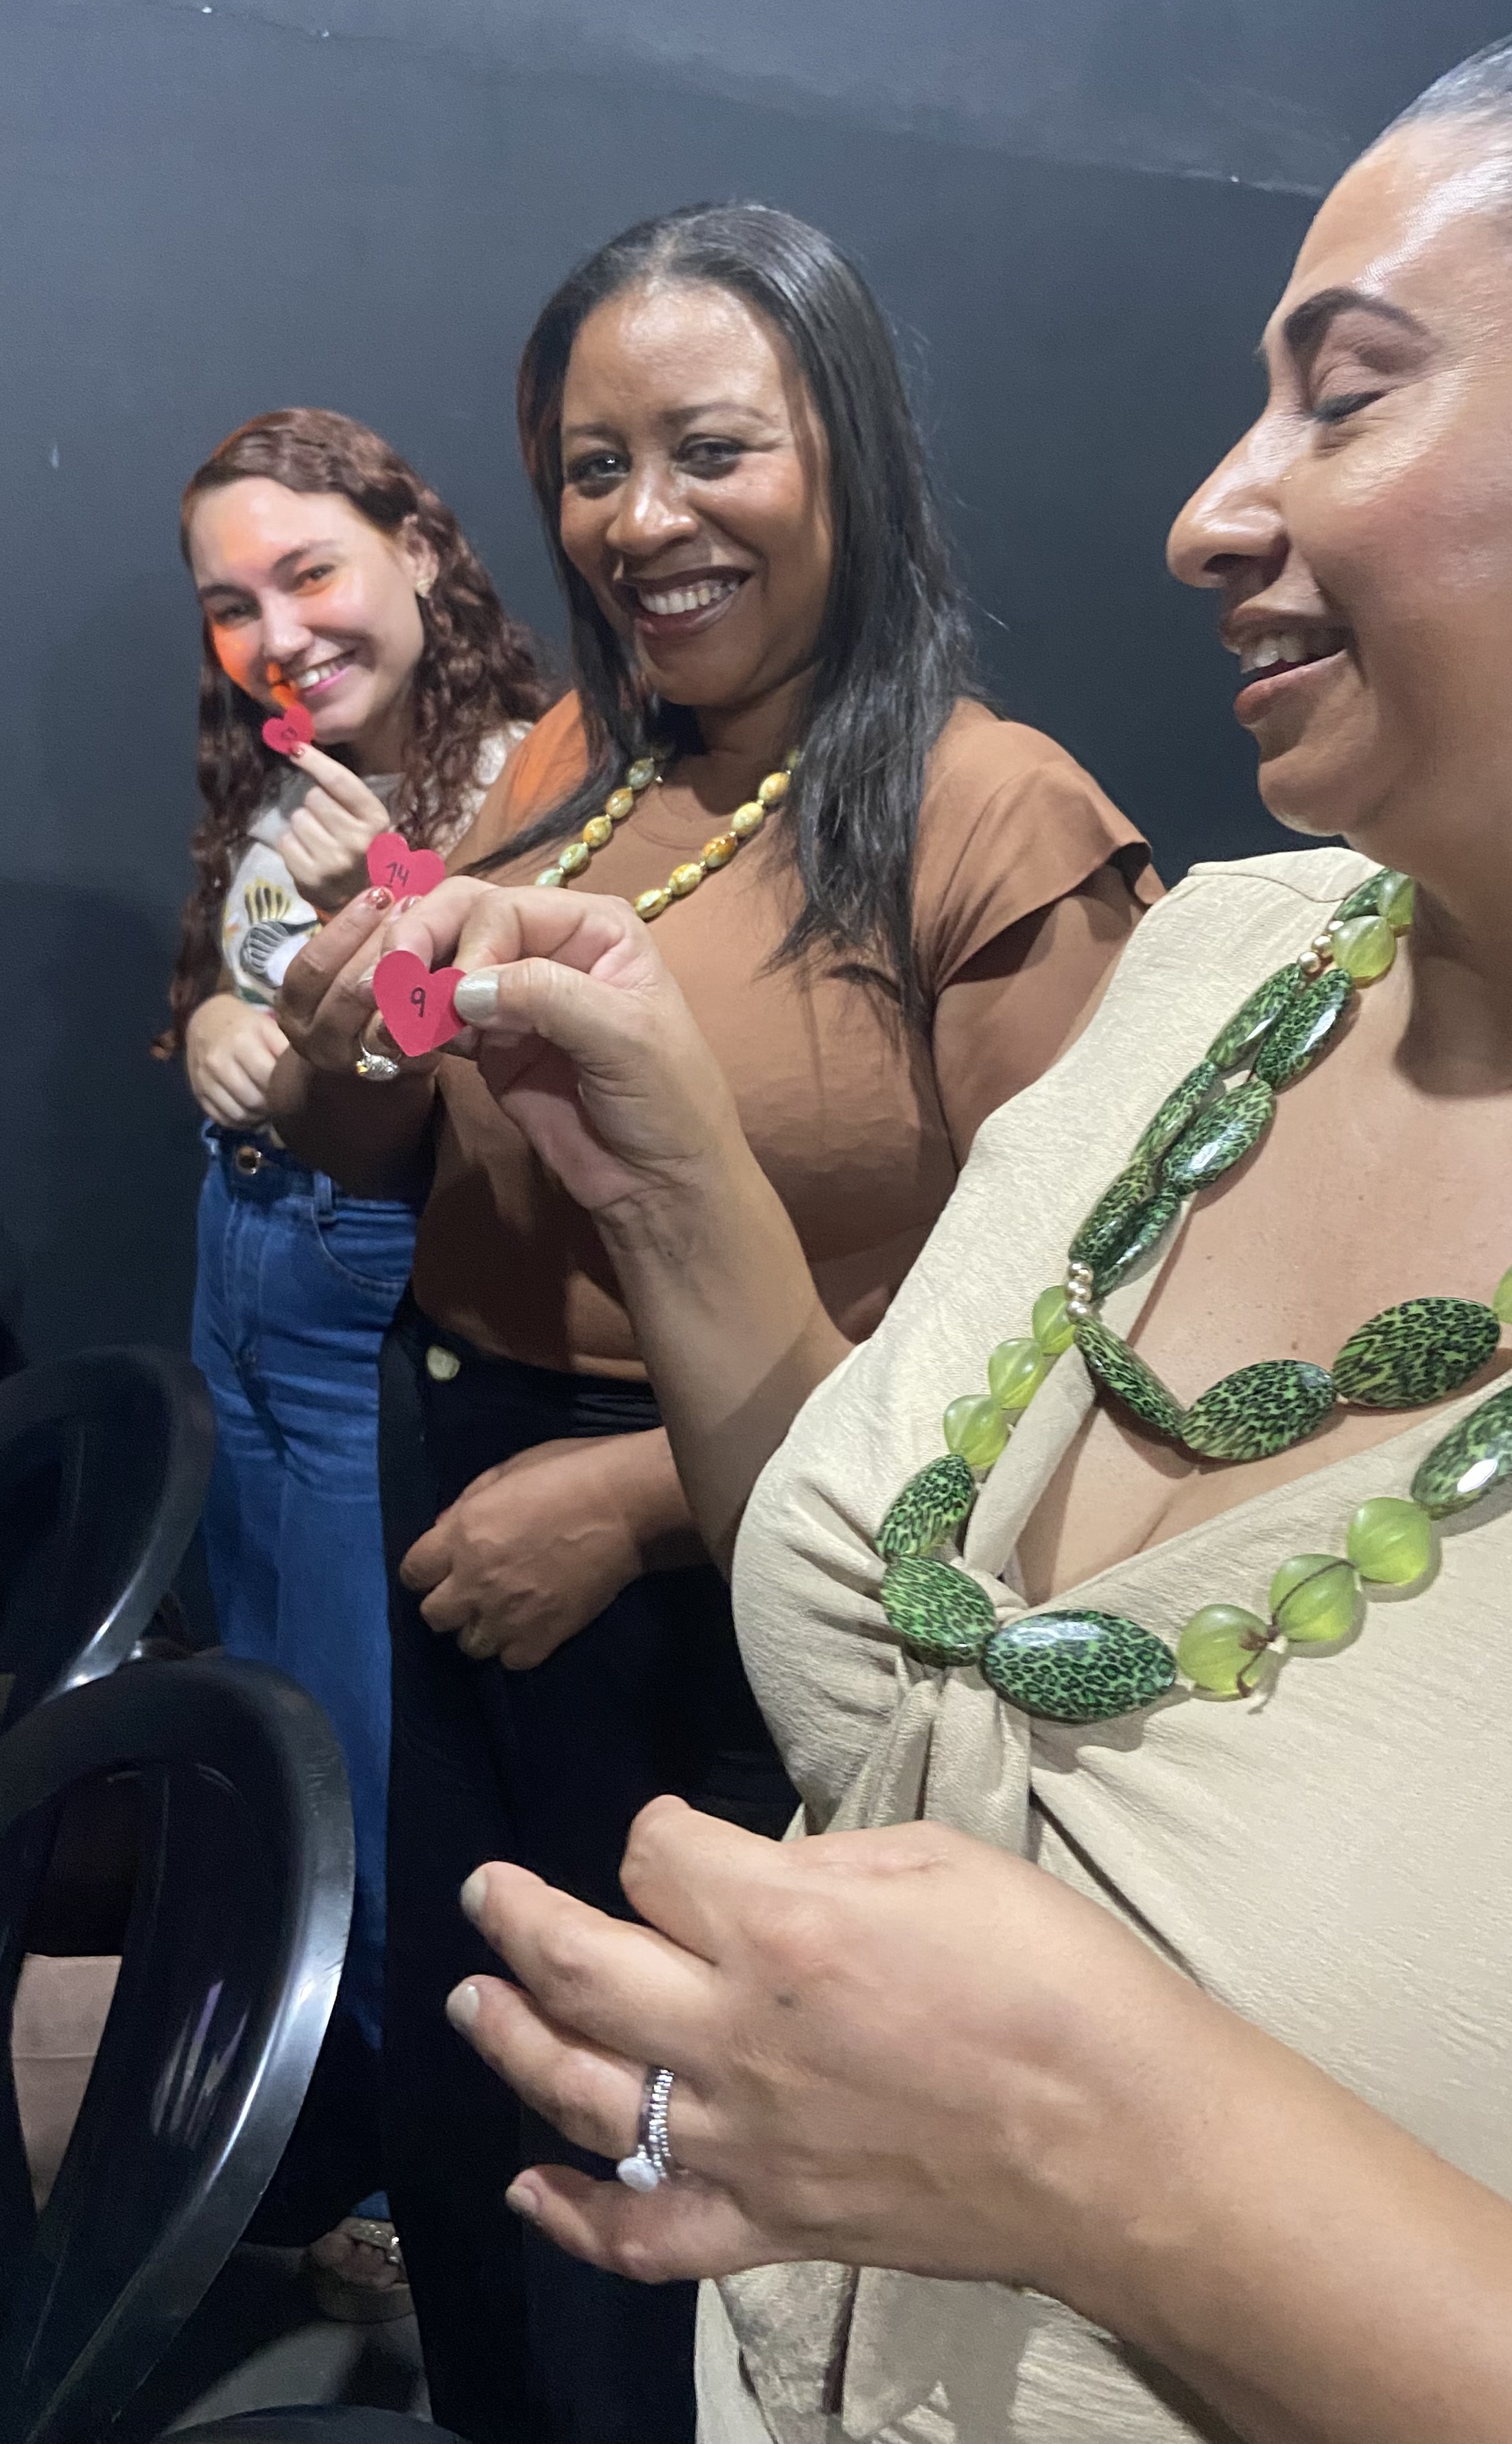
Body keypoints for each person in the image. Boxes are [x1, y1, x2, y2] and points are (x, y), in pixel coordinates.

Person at [356, 25, 1512, 2444]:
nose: (1208, 513)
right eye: (589, 464)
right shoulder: (1230, 966)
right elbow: (904, 1612)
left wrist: (1107, 2149)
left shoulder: (1003, 817)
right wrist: (645, 1162)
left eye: (1345, 396)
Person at [270, 204, 1160, 2441]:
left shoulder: (995, 818)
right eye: (592, 466)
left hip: (740, 1583)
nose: (641, 518)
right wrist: (343, 1038)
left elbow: (1059, 1364)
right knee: (484, 2113)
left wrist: (638, 1502)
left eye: (710, 449)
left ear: (848, 451)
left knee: (662, 2180)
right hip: (457, 1512)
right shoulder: (567, 761)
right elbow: (402, 1152)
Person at [161, 407, 545, 2316]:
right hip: (240, 1265)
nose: (277, 634)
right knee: (261, 1729)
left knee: (371, 1762)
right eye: (232, 604)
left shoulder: (527, 773)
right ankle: (291, 2142)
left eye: (308, 573)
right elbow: (238, 990)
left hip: (366, 1296)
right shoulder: (287, 766)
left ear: (420, 547)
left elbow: (484, 1058)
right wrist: (212, 1033)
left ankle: (430, 2196)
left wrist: (360, 909)